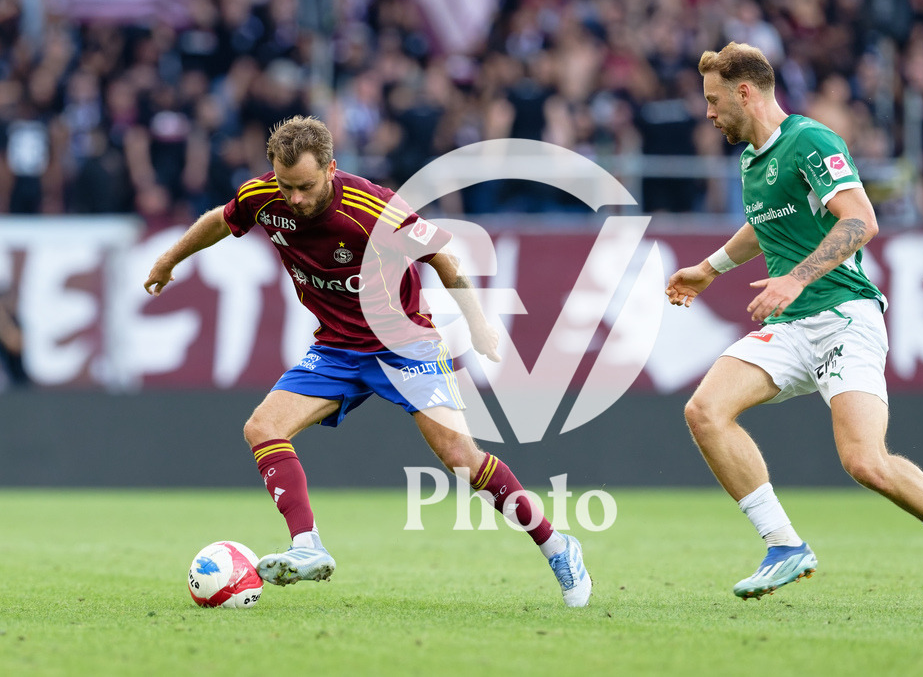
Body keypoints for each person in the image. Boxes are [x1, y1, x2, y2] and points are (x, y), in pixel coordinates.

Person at [144, 115, 591, 607]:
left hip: (405, 345)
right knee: (262, 428)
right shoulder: (263, 196)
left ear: (332, 169)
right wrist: (169, 260)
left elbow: (443, 258)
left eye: (306, 187)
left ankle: (557, 546)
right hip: (336, 348)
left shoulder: (373, 208)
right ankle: (306, 545)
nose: (294, 198)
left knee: (462, 460)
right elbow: (219, 220)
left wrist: (478, 324)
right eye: (285, 185)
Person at [665, 43, 923, 610]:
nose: (708, 113)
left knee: (865, 463)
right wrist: (708, 269)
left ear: (744, 92)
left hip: (845, 317)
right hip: (793, 326)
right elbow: (762, 226)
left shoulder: (811, 141)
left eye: (713, 100)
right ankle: (784, 546)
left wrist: (796, 279)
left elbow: (861, 219)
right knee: (704, 411)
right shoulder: (754, 160)